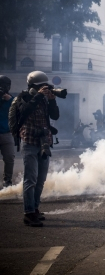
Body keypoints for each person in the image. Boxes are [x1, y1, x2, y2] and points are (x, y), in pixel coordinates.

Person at [9, 71, 59, 226]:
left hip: (44, 141)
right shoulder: (22, 97)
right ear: (32, 86)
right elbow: (25, 111)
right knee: (30, 179)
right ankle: (29, 213)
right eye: (41, 86)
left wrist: (52, 101)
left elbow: (55, 116)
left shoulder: (44, 99)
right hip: (29, 141)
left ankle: (35, 209)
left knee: (41, 179)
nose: (44, 89)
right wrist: (38, 96)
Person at [0, 75, 15, 188]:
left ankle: (8, 181)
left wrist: (9, 100)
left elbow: (19, 110)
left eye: (6, 85)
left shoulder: (12, 99)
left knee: (9, 158)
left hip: (7, 133)